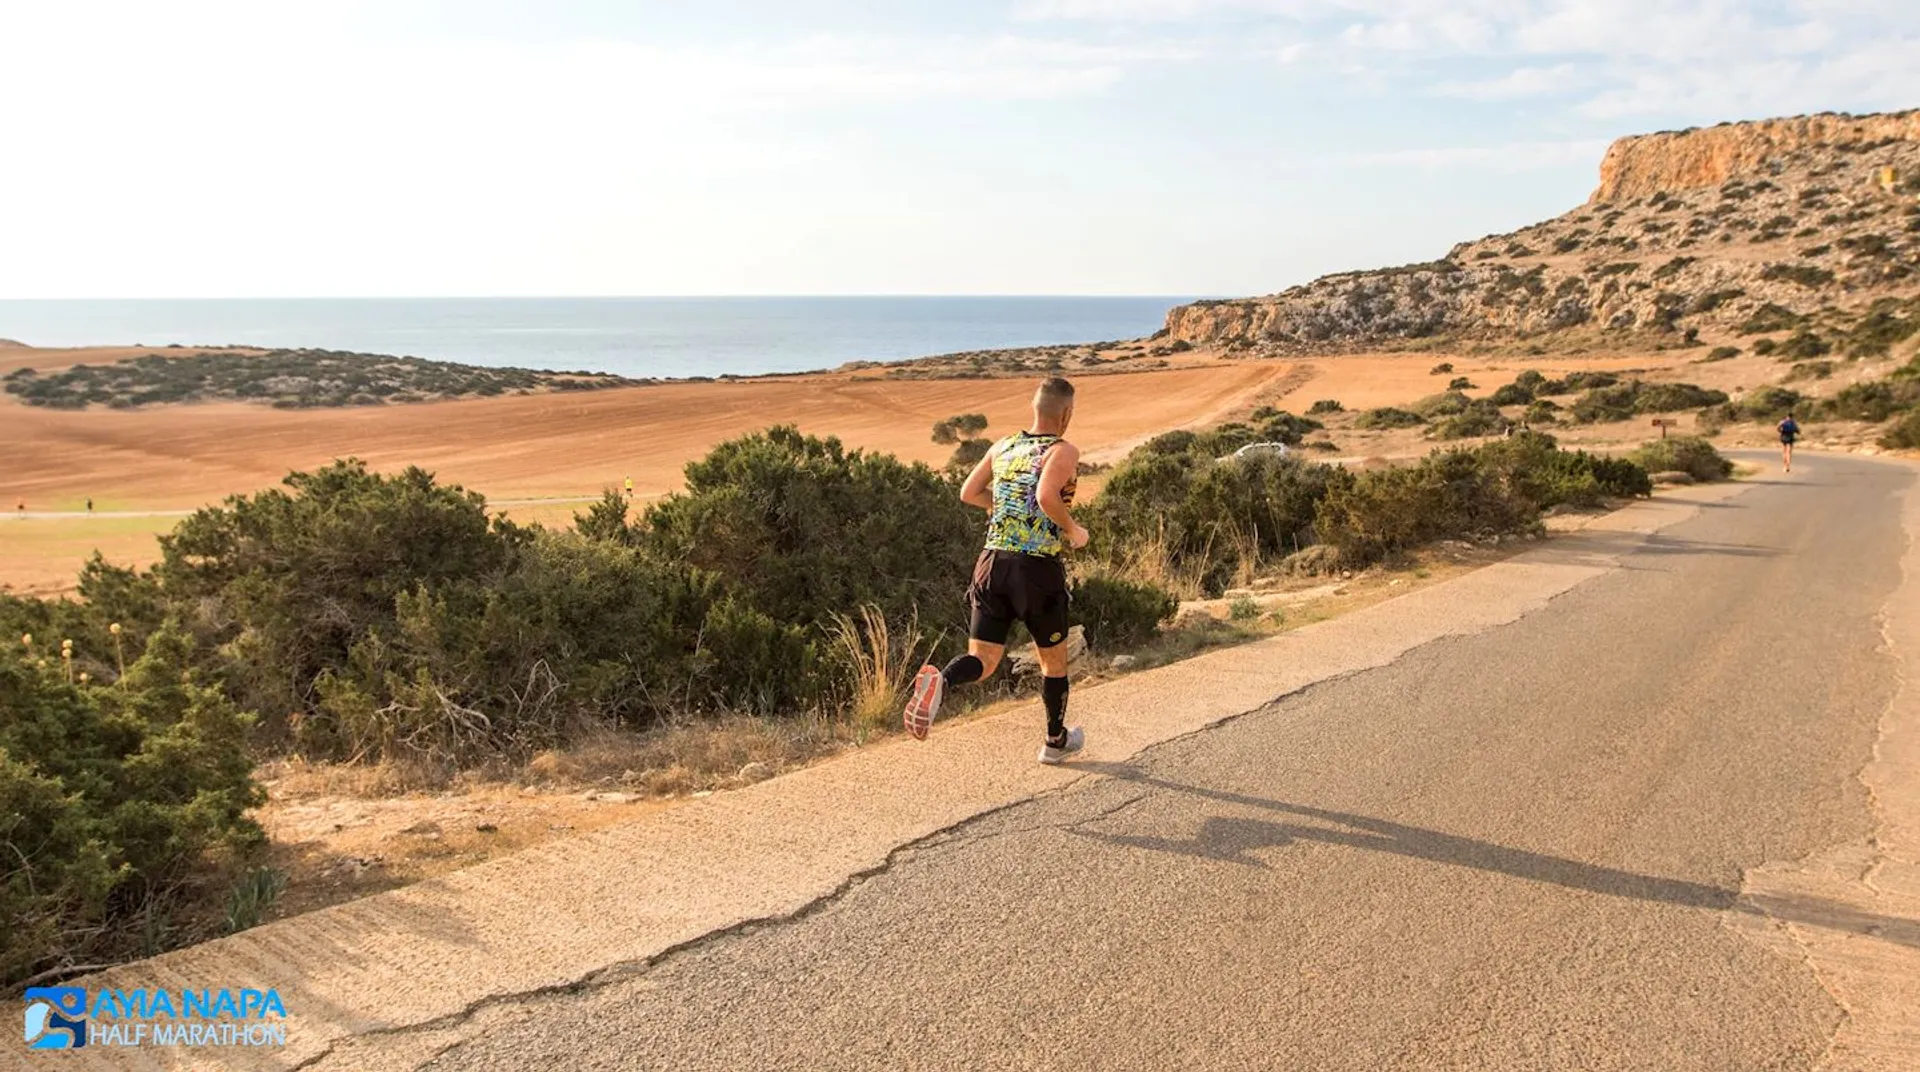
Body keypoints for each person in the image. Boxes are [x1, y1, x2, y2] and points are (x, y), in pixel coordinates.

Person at [904, 377, 1089, 764]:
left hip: (991, 564)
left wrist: (1001, 508)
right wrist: (1073, 530)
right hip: (1035, 569)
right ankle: (1055, 742)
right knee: (1052, 662)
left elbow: (968, 493)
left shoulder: (1002, 445)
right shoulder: (1062, 449)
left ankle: (942, 680)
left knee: (984, 661)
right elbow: (1045, 496)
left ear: (1033, 407)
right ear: (1066, 413)